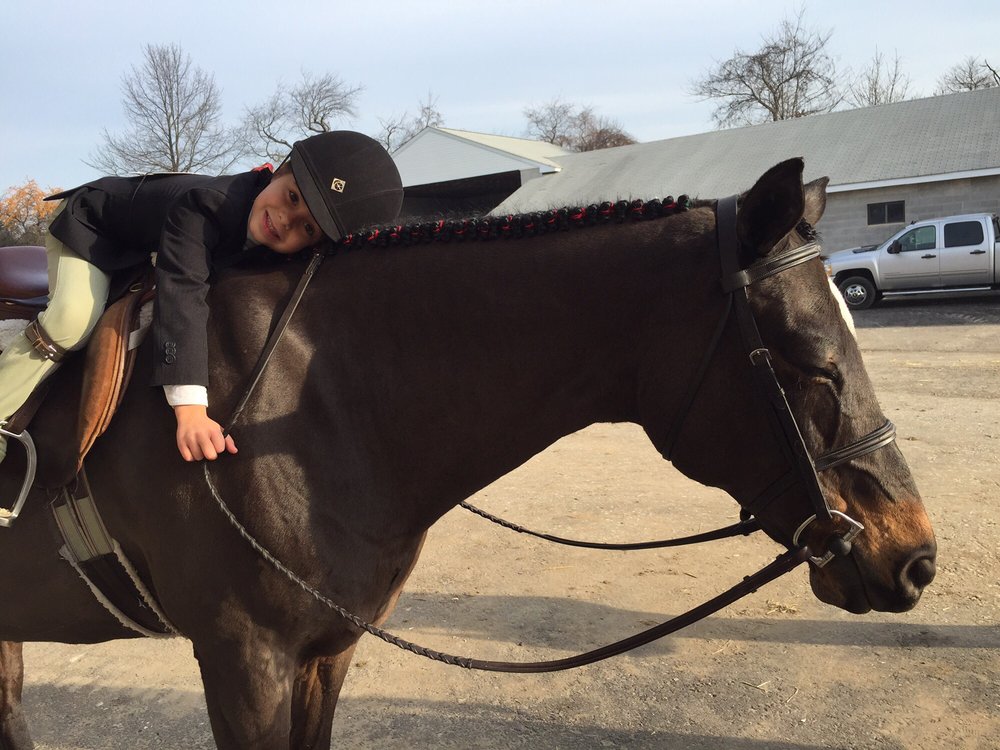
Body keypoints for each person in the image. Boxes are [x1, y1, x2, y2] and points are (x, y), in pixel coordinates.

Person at [0, 130, 402, 472]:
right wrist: (189, 407)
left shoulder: (270, 230)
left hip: (140, 249)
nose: (285, 220)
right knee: (73, 319)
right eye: (293, 197)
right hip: (93, 229)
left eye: (307, 227)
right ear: (279, 169)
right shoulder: (205, 204)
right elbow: (184, 288)